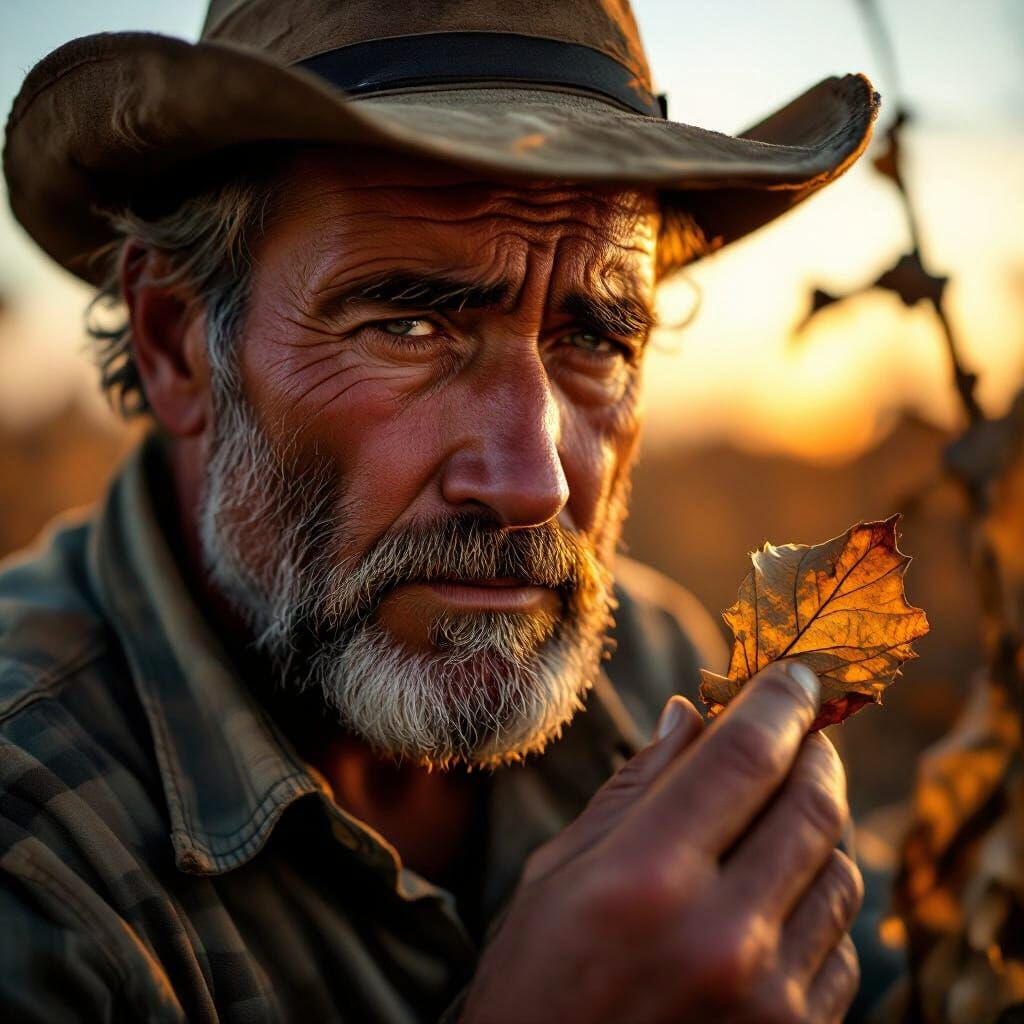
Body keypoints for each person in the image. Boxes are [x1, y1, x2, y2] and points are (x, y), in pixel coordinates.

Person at [0, 1, 880, 1021]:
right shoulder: (33, 846)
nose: (532, 483)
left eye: (592, 340)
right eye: (410, 324)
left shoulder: (649, 668)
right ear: (176, 343)